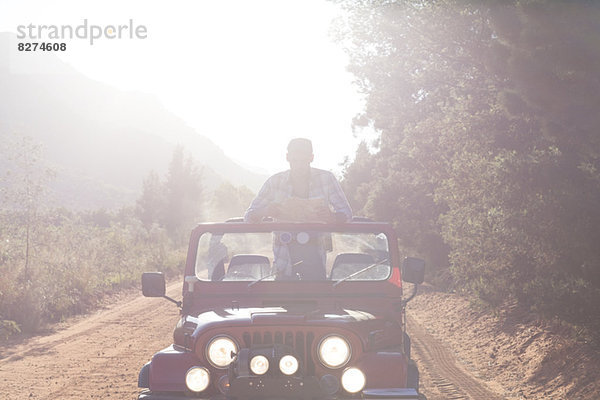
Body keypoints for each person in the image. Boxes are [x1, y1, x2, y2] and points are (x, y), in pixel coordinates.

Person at [244, 138, 352, 279]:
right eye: (295, 161)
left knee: (317, 299)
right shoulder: (274, 182)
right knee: (281, 300)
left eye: (304, 161)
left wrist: (331, 217)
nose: (299, 166)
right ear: (287, 157)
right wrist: (266, 211)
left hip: (315, 254)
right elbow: (249, 216)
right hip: (283, 258)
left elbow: (347, 213)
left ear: (311, 158)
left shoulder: (327, 179)